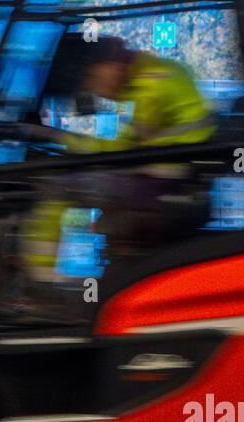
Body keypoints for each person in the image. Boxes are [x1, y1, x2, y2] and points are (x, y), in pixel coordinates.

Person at [22, 35, 216, 284]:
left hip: (160, 180)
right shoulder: (156, 74)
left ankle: (41, 278)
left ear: (111, 66)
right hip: (165, 175)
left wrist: (60, 139)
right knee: (93, 195)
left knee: (59, 185)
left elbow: (122, 151)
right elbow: (126, 149)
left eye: (92, 79)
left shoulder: (152, 83)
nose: (93, 89)